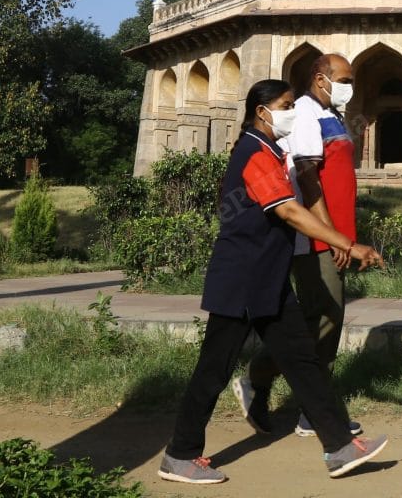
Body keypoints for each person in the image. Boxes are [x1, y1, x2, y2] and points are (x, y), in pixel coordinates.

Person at [158, 79, 388, 485]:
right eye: (285, 105)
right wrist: (349, 246)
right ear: (262, 111)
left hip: (268, 280)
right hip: (243, 281)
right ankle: (180, 455)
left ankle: (338, 447)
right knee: (214, 369)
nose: (292, 112)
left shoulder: (267, 150)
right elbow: (291, 213)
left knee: (302, 362)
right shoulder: (253, 152)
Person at [232, 54, 360, 438]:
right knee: (323, 316)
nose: (349, 86)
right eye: (344, 79)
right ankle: (278, 387)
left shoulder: (332, 115)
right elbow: (306, 176)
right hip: (316, 235)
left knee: (320, 318)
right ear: (321, 79)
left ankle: (301, 402)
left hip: (333, 233)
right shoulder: (303, 113)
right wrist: (328, 233)